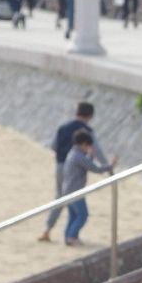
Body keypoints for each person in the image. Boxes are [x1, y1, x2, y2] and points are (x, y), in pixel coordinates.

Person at [47, 101, 104, 241]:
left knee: (60, 196)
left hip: (60, 165)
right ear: (90, 116)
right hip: (76, 167)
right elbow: (97, 151)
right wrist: (107, 167)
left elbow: (53, 146)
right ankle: (72, 235)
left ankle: (48, 229)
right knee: (75, 197)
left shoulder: (63, 128)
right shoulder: (87, 131)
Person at [58, 132, 113, 246]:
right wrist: (110, 166)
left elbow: (86, 163)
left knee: (73, 215)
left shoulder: (74, 154)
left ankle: (69, 237)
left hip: (68, 189)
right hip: (75, 191)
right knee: (83, 215)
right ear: (83, 144)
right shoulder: (78, 156)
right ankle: (71, 237)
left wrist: (90, 156)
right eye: (87, 146)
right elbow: (95, 168)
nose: (88, 148)